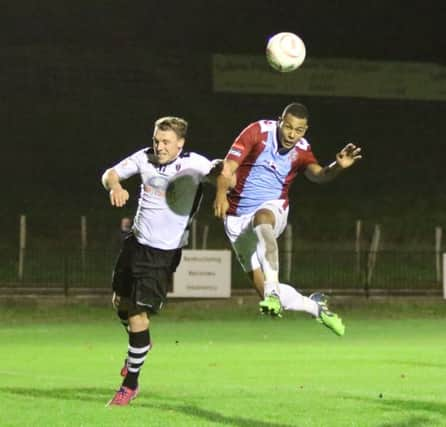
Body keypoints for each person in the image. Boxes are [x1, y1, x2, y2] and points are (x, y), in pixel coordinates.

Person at [213, 102, 362, 336]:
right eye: (288, 127)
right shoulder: (257, 132)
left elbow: (318, 175)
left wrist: (337, 167)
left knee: (262, 219)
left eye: (299, 130)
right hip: (235, 219)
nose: (292, 135)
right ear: (279, 121)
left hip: (273, 207)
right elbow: (227, 166)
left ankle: (273, 291)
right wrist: (221, 194)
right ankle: (316, 308)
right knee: (266, 294)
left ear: (305, 129)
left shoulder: (302, 149)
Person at [102, 116, 220, 406]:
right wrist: (114, 186)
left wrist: (225, 180)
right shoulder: (145, 158)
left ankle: (130, 384)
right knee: (120, 304)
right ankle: (141, 344)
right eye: (157, 139)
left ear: (181, 143)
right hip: (135, 244)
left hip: (162, 254)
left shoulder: (195, 164)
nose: (159, 146)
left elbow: (221, 171)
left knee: (137, 315)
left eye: (166, 141)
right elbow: (109, 173)